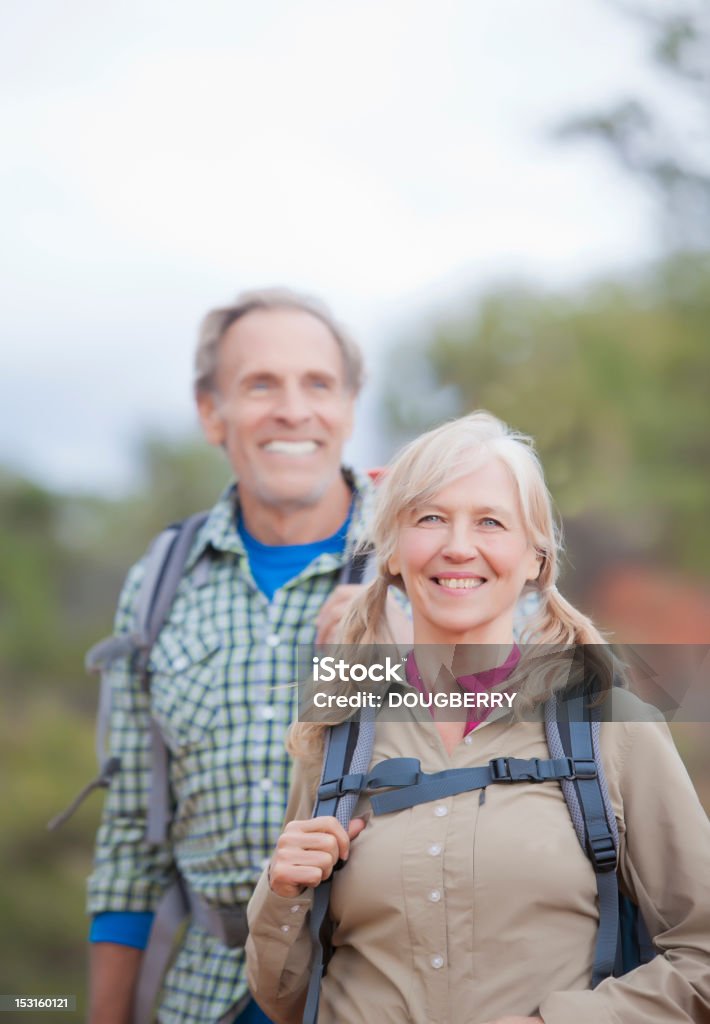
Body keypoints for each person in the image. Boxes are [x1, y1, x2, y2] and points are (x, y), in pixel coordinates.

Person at [246, 411, 710, 1024]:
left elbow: (701, 958)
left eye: (489, 522)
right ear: (391, 553)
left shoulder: (610, 724)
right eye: (430, 518)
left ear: (535, 557)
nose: (457, 546)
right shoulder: (339, 728)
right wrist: (280, 894)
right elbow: (282, 999)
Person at [86, 288, 409, 1024]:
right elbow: (131, 840)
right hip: (207, 995)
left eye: (318, 384)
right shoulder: (160, 580)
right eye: (261, 384)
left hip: (381, 990)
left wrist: (409, 648)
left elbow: (532, 755)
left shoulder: (425, 559)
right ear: (211, 412)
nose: (293, 410)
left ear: (349, 407)